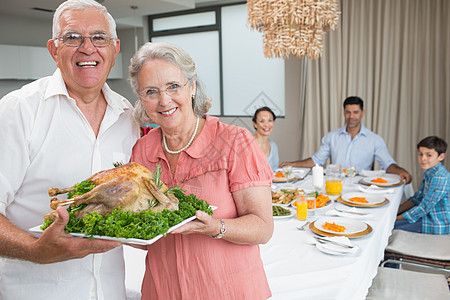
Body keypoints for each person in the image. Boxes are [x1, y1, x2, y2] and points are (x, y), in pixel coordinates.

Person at [0, 0, 140, 299]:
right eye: (72, 37)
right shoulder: (19, 110)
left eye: (99, 38)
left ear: (115, 49)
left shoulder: (128, 116)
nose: (87, 48)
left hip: (110, 291)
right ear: (54, 50)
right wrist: (36, 250)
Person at [129, 42, 274, 299]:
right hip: (163, 291)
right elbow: (146, 233)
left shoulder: (235, 142)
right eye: (151, 91)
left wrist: (216, 227)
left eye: (174, 86)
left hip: (228, 292)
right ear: (141, 98)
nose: (164, 101)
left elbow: (263, 228)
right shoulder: (142, 149)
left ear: (192, 86)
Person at [281, 96, 412, 183]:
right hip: (335, 184)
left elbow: (387, 164)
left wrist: (400, 171)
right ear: (344, 113)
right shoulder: (332, 137)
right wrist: (292, 164)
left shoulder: (375, 140)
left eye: (355, 112)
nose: (351, 116)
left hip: (361, 186)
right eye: (348, 112)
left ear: (362, 113)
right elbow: (316, 161)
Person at [395, 136, 449, 234]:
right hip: (425, 217)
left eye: (429, 155)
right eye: (420, 154)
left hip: (434, 223)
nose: (423, 159)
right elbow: (417, 198)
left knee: (391, 227)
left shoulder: (440, 177)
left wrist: (395, 218)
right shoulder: (430, 173)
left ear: (441, 157)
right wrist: (396, 210)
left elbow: (424, 207)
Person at [252, 106, 279, 171]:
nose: (266, 125)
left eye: (270, 120)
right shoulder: (248, 144)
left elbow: (275, 171)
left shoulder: (274, 146)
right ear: (255, 124)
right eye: (262, 121)